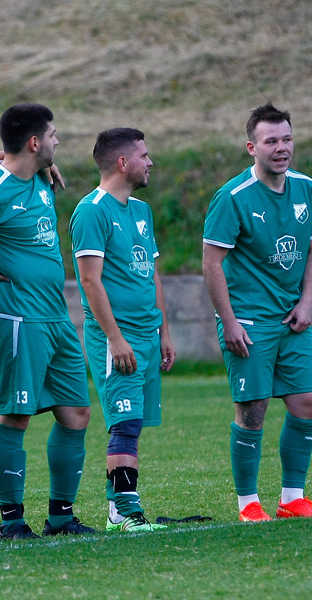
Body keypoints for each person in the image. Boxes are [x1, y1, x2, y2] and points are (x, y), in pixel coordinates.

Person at [202, 102, 312, 522]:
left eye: (287, 138)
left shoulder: (306, 187)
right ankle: (248, 505)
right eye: (271, 140)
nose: (282, 147)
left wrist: (307, 300)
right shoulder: (232, 197)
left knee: (309, 400)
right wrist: (230, 321)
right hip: (249, 319)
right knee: (253, 407)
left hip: (292, 317)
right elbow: (211, 263)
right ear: (251, 147)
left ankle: (293, 498)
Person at [0, 103, 92, 540]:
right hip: (15, 317)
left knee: (76, 412)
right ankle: (11, 521)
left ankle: (61, 517)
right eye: (54, 135)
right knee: (15, 416)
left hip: (55, 317)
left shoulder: (42, 178)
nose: (58, 141)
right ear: (34, 142)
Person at [69, 127, 175, 533]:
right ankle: (123, 512)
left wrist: (163, 332)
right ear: (122, 162)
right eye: (144, 155)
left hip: (148, 334)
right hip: (118, 337)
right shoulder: (92, 210)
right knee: (124, 421)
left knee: (134, 423)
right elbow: (90, 281)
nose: (150, 162)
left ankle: (125, 506)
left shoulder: (141, 211)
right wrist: (115, 338)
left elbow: (153, 275)